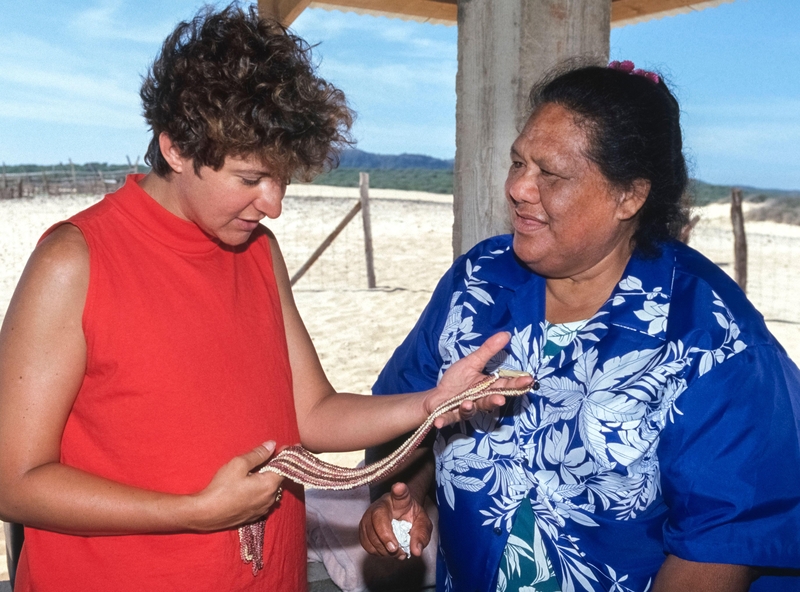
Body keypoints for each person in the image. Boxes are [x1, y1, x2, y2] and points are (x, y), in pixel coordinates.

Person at [0, 6, 530, 592]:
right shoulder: (74, 261)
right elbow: (13, 481)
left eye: (282, 178)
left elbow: (312, 414)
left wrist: (431, 402)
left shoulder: (258, 251)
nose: (273, 204)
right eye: (251, 179)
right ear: (175, 148)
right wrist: (191, 512)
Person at [359, 61, 800, 592]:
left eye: (551, 174)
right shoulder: (476, 284)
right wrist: (395, 497)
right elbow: (405, 414)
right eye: (518, 162)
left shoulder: (711, 337)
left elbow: (723, 540)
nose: (520, 188)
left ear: (629, 197)